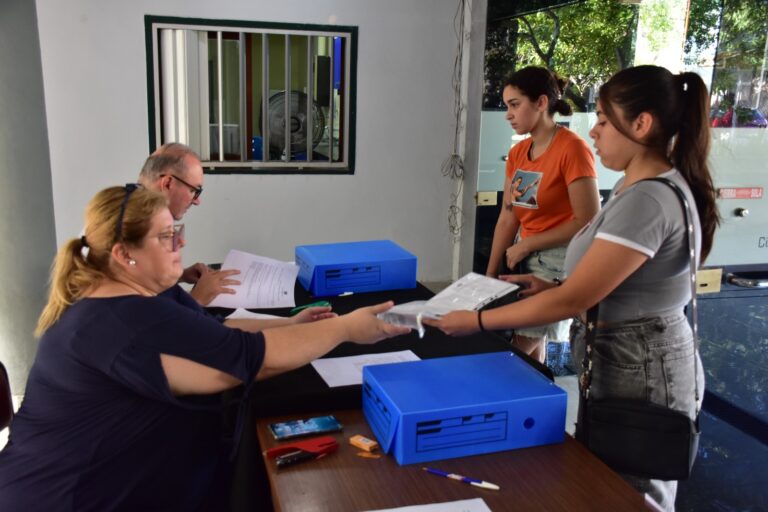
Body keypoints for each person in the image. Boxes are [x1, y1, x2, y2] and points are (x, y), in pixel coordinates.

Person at [0, 185, 410, 510]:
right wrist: (345, 328)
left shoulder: (126, 296)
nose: (180, 245)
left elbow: (213, 327)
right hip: (69, 498)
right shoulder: (126, 321)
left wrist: (290, 324)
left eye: (177, 232)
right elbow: (245, 361)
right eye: (166, 237)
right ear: (125, 254)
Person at [425, 65, 719, 511]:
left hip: (640, 368)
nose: (595, 131)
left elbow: (575, 299)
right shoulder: (633, 187)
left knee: (632, 494)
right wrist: (549, 284)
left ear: (641, 124)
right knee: (605, 484)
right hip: (619, 358)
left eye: (603, 119)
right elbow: (598, 283)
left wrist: (478, 319)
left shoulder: (648, 198)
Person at [486, 66, 600, 362]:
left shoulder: (572, 149)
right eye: (507, 106)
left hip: (557, 260)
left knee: (514, 351)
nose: (508, 114)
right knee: (531, 346)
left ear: (541, 103)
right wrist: (488, 274)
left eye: (515, 105)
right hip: (524, 256)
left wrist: (527, 244)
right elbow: (508, 216)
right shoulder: (518, 152)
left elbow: (588, 221)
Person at [139, 142, 239, 306]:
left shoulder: (139, 210)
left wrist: (181, 276)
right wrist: (197, 299)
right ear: (167, 183)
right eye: (194, 190)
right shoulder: (132, 225)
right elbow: (147, 321)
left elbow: (141, 279)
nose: (197, 201)